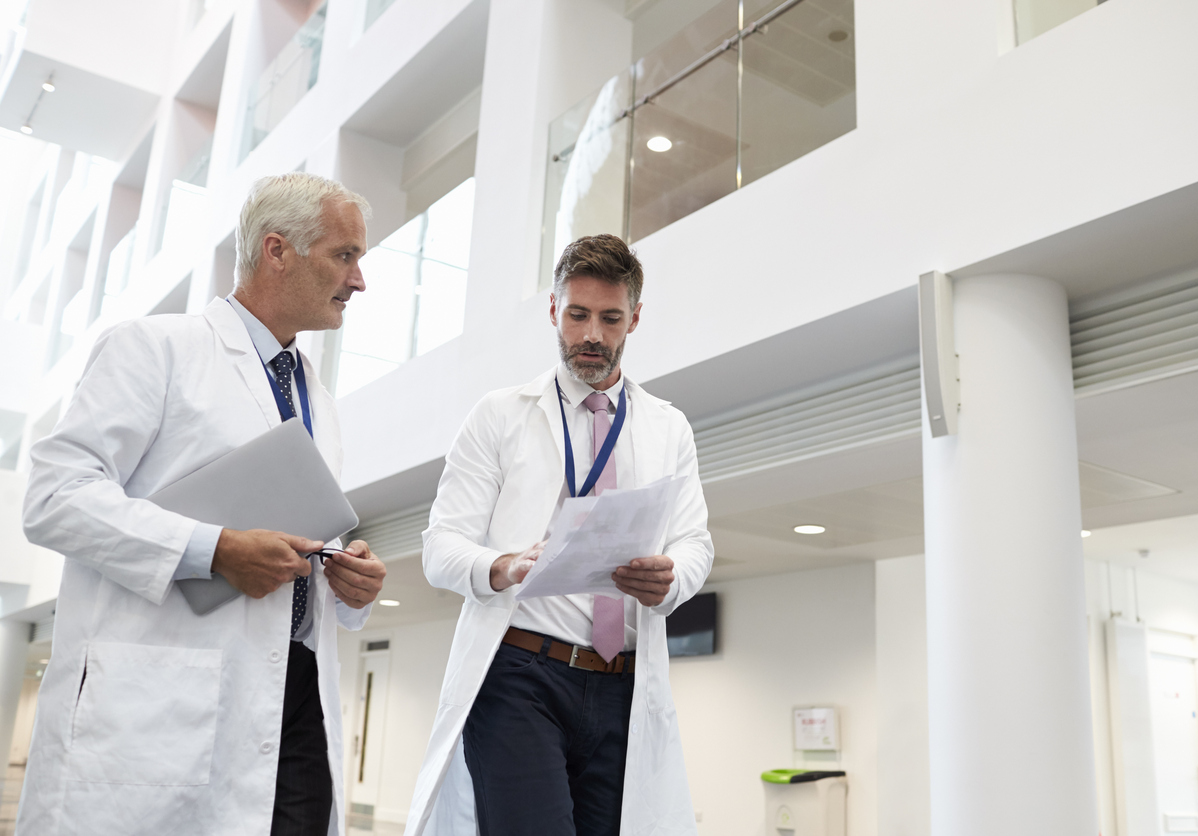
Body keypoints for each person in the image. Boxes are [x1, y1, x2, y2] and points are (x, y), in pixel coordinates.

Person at [18, 172, 387, 836]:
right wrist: (213, 550)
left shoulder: (318, 400)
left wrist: (349, 587)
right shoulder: (156, 348)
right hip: (169, 696)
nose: (359, 280)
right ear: (278, 251)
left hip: (296, 697)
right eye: (345, 254)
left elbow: (295, 542)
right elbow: (54, 494)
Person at [404, 234, 714, 836]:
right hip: (522, 675)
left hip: (622, 683)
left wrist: (671, 579)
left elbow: (695, 542)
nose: (592, 334)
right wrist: (505, 566)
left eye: (609, 317)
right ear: (553, 311)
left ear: (635, 319)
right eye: (577, 315)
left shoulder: (667, 427)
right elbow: (441, 548)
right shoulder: (499, 415)